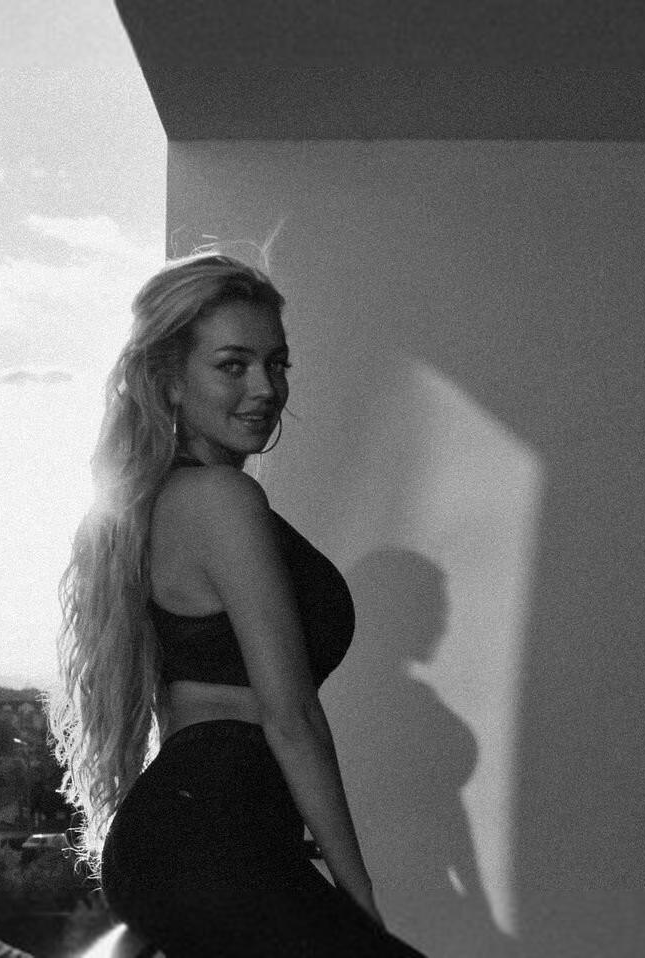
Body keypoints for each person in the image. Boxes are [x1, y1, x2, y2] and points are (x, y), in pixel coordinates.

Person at [49, 254, 427, 957]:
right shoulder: (222, 500)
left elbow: (184, 710)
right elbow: (292, 719)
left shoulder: (160, 503)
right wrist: (358, 897)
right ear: (168, 380)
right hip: (208, 845)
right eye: (233, 365)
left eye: (276, 364)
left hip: (201, 837)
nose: (265, 388)